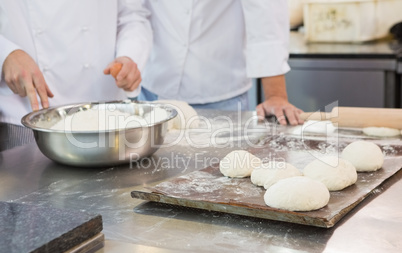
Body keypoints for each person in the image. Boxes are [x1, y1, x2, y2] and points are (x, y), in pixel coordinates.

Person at [0, 0, 152, 151]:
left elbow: (133, 16)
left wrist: (129, 55)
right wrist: (6, 54)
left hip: (110, 116)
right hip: (26, 122)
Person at [138, 0, 303, 126]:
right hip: (153, 86)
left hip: (222, 93)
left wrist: (275, 95)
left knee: (223, 166)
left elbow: (265, 17)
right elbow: (134, 12)